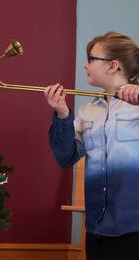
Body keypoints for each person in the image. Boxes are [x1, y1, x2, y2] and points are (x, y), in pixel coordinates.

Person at [44, 31, 139, 260]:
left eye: (91, 59)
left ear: (112, 66)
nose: (85, 66)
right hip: (96, 228)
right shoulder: (89, 110)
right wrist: (62, 113)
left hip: (134, 229)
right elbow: (65, 157)